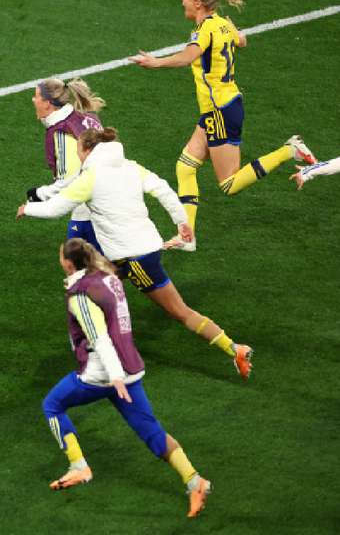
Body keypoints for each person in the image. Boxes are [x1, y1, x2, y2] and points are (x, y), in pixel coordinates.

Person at [17, 127, 253, 379]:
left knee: (179, 311)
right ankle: (98, 348)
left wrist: (27, 209)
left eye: (79, 152)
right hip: (139, 251)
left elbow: (55, 208)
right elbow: (162, 188)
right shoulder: (130, 167)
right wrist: (181, 221)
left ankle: (234, 348)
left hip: (133, 258)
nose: (80, 158)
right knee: (88, 289)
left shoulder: (91, 178)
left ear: (88, 150)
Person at [129, 0, 317, 251]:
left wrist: (154, 62)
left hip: (219, 111)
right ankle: (187, 236)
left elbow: (186, 57)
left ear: (198, 3)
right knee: (185, 166)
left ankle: (290, 150)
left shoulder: (204, 29)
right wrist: (232, 31)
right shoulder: (221, 23)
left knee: (228, 184)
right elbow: (242, 41)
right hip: (221, 107)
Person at [43, 238, 211, 518]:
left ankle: (78, 466)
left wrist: (114, 377)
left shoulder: (81, 296)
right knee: (151, 430)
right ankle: (195, 481)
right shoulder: (109, 279)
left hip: (103, 374)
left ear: (69, 264)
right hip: (130, 367)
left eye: (61, 257)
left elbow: (100, 339)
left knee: (52, 405)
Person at [24, 78, 104, 250]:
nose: (33, 99)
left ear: (47, 104)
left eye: (36, 96)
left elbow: (71, 180)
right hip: (111, 194)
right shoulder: (84, 116)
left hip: (92, 206)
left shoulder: (61, 132)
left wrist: (39, 194)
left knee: (81, 264)